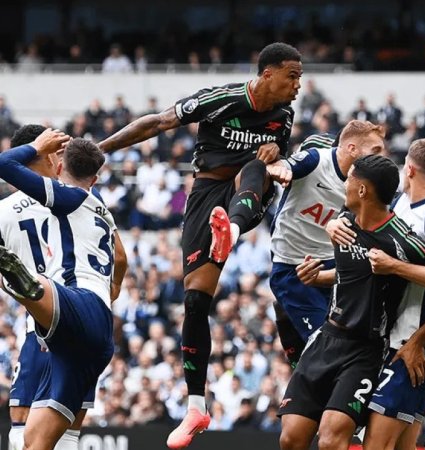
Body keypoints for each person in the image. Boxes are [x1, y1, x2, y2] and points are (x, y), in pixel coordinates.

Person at [97, 42, 302, 447]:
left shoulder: (284, 116)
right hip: (206, 195)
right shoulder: (219, 99)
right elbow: (156, 123)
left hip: (244, 197)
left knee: (256, 166)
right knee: (194, 302)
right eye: (292, 76)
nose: (298, 85)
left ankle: (234, 235)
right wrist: (99, 151)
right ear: (267, 74)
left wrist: (278, 153)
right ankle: (195, 406)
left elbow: (281, 159)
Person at [278, 155, 425, 450]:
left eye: (350, 178)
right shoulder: (344, 218)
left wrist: (396, 267)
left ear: (362, 190)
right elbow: (352, 269)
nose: (345, 183)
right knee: (290, 438)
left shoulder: (402, 240)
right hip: (326, 338)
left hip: (365, 349)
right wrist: (319, 276)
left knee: (331, 437)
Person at [0, 131, 126, 450]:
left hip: (71, 304)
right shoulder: (104, 212)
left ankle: (22, 282)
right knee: (38, 442)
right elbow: (121, 258)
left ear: (59, 169)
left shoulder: (68, 196)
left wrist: (37, 147)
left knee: (40, 284)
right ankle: (28, 287)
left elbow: (4, 163)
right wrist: (114, 292)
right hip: (94, 333)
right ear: (96, 178)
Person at [346, 138, 425, 450]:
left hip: (411, 345)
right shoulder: (398, 204)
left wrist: (417, 342)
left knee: (376, 445)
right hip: (390, 340)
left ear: (409, 169)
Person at [269, 121, 385, 367]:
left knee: (346, 341)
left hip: (334, 265)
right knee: (324, 345)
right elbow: (281, 166)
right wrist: (279, 168)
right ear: (352, 148)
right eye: (375, 150)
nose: (381, 157)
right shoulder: (316, 161)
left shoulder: (366, 185)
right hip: (295, 265)